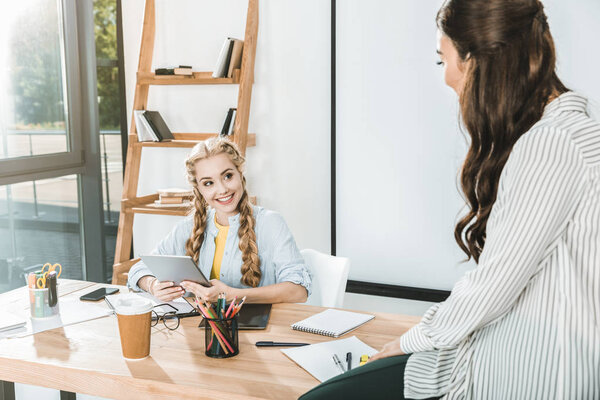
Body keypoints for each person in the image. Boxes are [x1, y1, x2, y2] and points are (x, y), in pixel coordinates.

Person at [301, 0, 599, 399]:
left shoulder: (550, 143)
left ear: (480, 62)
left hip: (535, 370)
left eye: (444, 60)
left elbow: (494, 284)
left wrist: (412, 338)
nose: (446, 78)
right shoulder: (577, 129)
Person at [127, 137, 311, 304]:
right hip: (199, 330)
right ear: (199, 189)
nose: (222, 189)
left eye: (227, 176)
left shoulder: (270, 224)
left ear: (240, 173)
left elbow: (298, 291)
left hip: (258, 331)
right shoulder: (187, 228)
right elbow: (139, 269)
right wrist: (152, 285)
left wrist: (233, 295)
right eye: (209, 183)